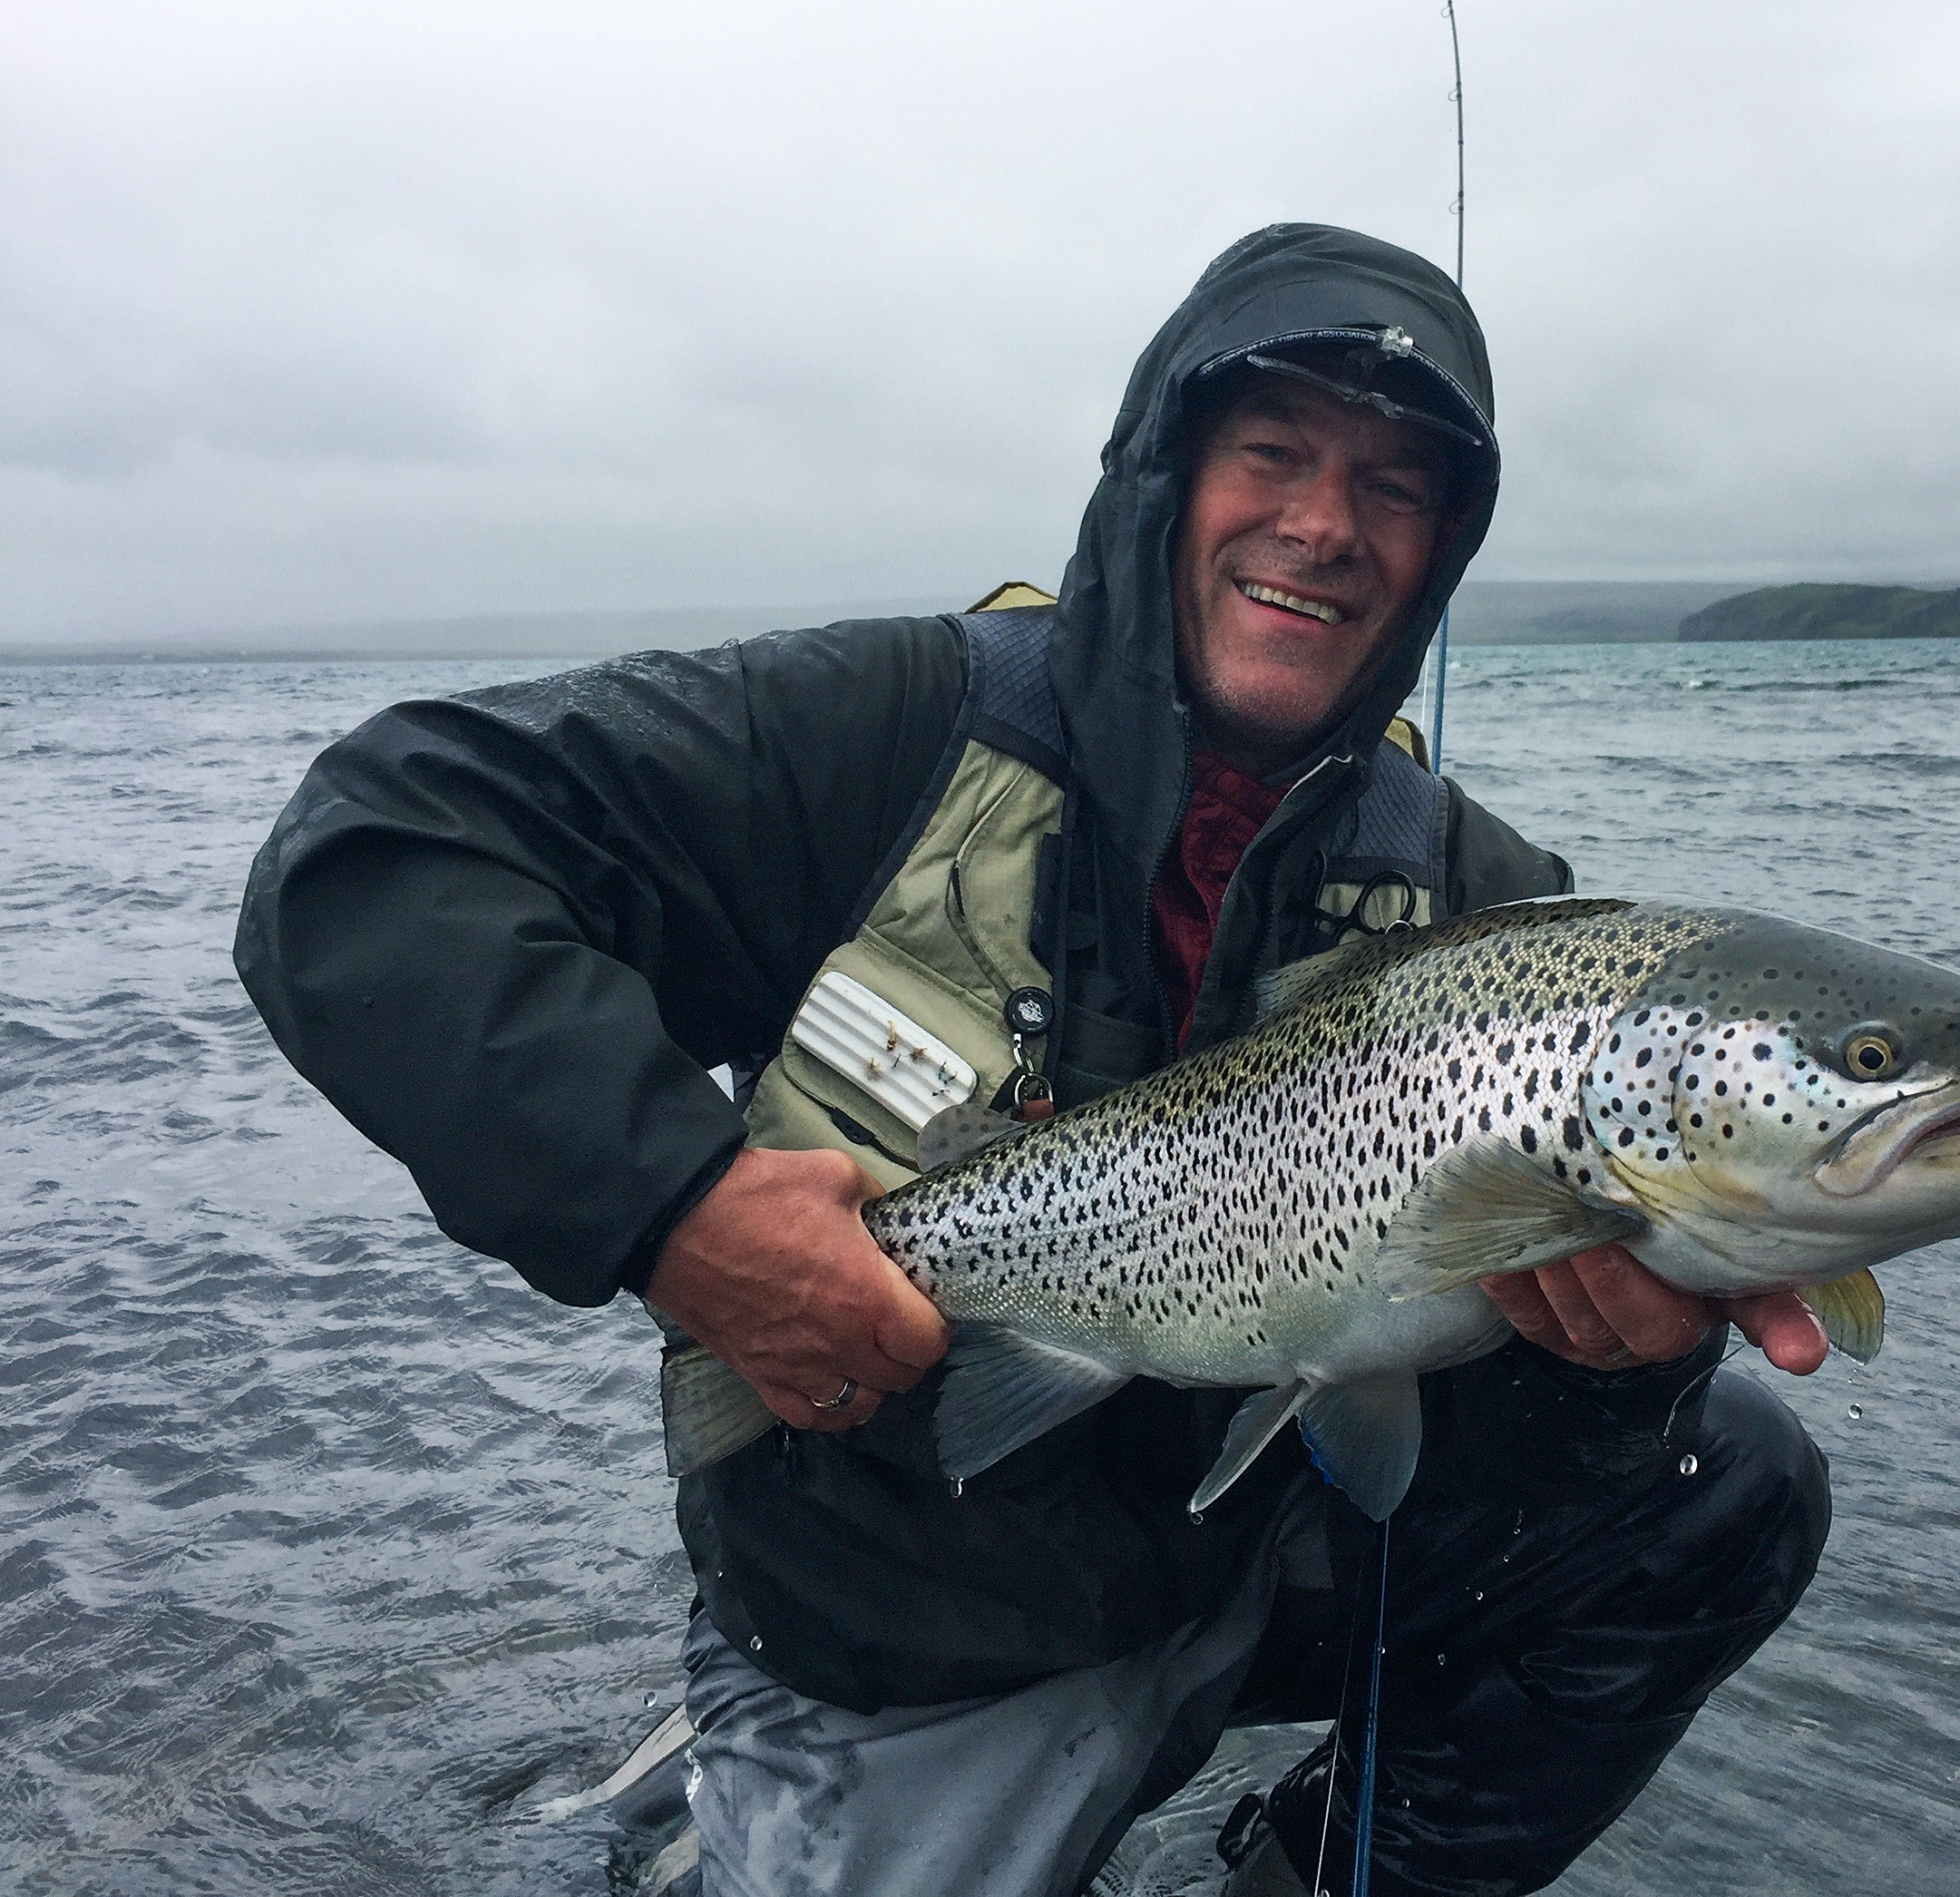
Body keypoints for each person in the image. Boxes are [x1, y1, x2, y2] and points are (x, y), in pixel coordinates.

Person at [236, 223, 1833, 1897]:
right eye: (1271, 454)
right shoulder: (879, 734)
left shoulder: (1487, 904)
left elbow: (1495, 1413)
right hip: (908, 1634)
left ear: (1441, 548)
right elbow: (376, 849)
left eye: (1393, 488)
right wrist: (671, 1208)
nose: (1321, 526)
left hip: (1255, 1554)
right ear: (1162, 478)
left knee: (1723, 1478)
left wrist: (1619, 1371)